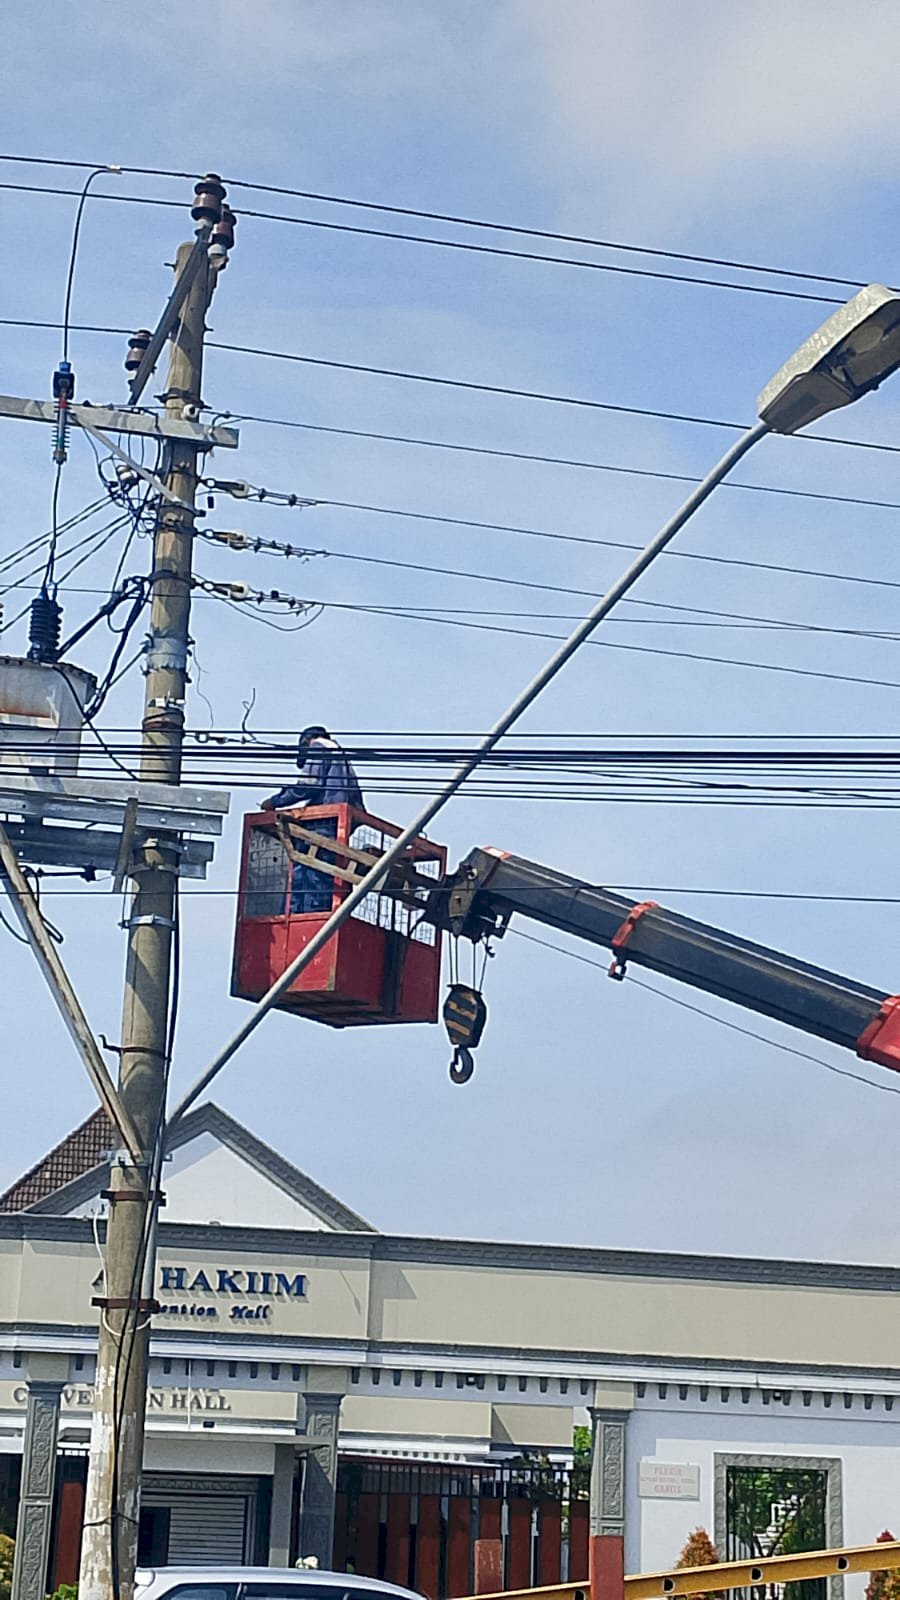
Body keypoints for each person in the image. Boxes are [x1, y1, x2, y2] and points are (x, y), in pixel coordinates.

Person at [260, 726, 364, 913]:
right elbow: (357, 805)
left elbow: (307, 785)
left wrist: (275, 801)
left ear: (306, 742)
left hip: (322, 824)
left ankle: (299, 917)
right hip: (337, 827)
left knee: (305, 876)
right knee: (327, 878)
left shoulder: (319, 747)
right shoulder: (343, 760)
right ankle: (322, 917)